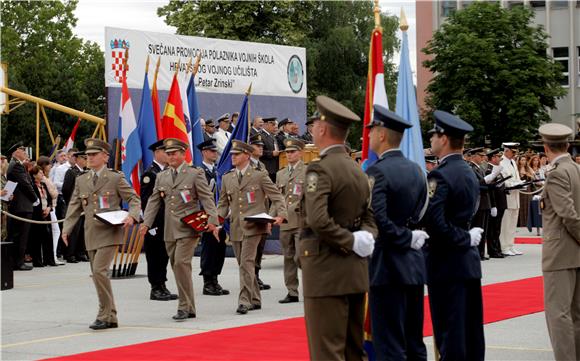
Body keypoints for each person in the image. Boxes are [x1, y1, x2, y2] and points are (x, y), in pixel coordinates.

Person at [299, 95, 378, 360]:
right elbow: (368, 215)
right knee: (353, 351)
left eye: (314, 126)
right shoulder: (358, 170)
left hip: (325, 272)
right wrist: (364, 238)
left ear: (321, 129)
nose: (312, 131)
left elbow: (317, 219)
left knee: (327, 352)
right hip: (354, 272)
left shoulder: (319, 170)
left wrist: (350, 240)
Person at [365, 105, 428, 360]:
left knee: (389, 343)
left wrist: (402, 236)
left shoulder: (376, 171)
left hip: (386, 265)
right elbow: (422, 212)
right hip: (412, 264)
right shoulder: (416, 169)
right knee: (413, 341)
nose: (368, 136)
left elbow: (376, 218)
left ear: (381, 134)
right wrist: (410, 235)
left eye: (371, 130)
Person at [423, 110, 485, 361]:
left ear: (444, 138)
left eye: (434, 135)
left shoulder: (440, 174)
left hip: (446, 264)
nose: (431, 140)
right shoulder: (469, 171)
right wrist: (466, 238)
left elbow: (434, 223)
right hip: (467, 263)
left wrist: (462, 238)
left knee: (451, 335)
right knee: (470, 333)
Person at [62, 138, 140, 330]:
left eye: (93, 154)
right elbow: (74, 205)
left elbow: (133, 198)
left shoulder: (115, 177)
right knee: (97, 274)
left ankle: (103, 314)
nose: (89, 158)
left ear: (105, 157)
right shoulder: (82, 180)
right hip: (91, 233)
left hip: (109, 232)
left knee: (99, 271)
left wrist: (132, 216)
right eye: (87, 155)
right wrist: (66, 229)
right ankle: (111, 315)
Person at [140, 138, 219, 321]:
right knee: (177, 267)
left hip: (188, 228)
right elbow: (153, 201)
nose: (171, 157)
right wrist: (146, 223)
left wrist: (212, 220)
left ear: (183, 154)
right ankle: (189, 306)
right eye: (168, 154)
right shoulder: (162, 176)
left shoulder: (194, 173)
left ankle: (183, 306)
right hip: (169, 229)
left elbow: (206, 198)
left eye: (174, 153)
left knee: (181, 264)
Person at [217, 140, 287, 315]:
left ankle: (244, 300)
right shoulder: (228, 177)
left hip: (255, 225)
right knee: (244, 263)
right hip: (236, 227)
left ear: (247, 156)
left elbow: (277, 196)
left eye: (237, 154)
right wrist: (215, 221)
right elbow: (223, 203)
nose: (233, 157)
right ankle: (256, 298)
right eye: (232, 154)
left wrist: (281, 215)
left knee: (246, 263)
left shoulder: (259, 175)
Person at [537, 123, 580, 361]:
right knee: (575, 315)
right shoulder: (575, 168)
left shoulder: (557, 173)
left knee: (558, 315)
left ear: (546, 146)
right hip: (574, 251)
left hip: (560, 251)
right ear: (567, 144)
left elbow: (568, 216)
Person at [140, 140, 177, 301]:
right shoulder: (150, 174)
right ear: (156, 153)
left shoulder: (168, 172)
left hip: (168, 222)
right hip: (155, 223)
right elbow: (148, 201)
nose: (168, 155)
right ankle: (155, 287)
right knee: (155, 255)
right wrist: (151, 225)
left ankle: (162, 285)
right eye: (165, 152)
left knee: (163, 255)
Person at [274, 138, 306, 304]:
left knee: (301, 256)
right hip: (285, 222)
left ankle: (309, 288)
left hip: (300, 220)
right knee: (288, 256)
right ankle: (292, 291)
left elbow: (307, 196)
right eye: (287, 152)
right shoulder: (281, 173)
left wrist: (289, 208)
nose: (289, 155)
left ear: (300, 153)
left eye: (292, 151)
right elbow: (277, 198)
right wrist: (270, 217)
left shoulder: (307, 171)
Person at [197, 139, 229, 296]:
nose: (215, 153)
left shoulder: (218, 171)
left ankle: (215, 280)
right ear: (204, 152)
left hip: (220, 214)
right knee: (209, 248)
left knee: (219, 247)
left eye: (215, 151)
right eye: (211, 151)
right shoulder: (199, 171)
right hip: (206, 215)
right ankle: (207, 282)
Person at [7, 142, 39, 271]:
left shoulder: (16, 165)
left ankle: (17, 261)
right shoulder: (16, 166)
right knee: (21, 236)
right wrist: (35, 198)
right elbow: (25, 184)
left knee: (20, 235)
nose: (25, 152)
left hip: (21, 205)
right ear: (16, 152)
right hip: (22, 206)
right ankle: (18, 262)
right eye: (22, 150)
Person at [249, 133, 271, 290]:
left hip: (263, 210)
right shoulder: (248, 166)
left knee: (261, 246)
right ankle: (252, 277)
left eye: (262, 146)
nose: (261, 148)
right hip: (252, 211)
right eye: (258, 146)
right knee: (252, 247)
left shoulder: (261, 166)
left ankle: (256, 275)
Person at [61, 151, 89, 263]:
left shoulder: (86, 172)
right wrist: (72, 203)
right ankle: (70, 254)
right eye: (84, 158)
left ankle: (80, 253)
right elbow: (66, 189)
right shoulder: (71, 172)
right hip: (75, 206)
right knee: (73, 231)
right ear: (77, 159)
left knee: (82, 230)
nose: (86, 160)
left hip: (85, 206)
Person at [467, 147, 494, 261]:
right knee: (477, 227)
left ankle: (481, 252)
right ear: (473, 156)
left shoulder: (479, 168)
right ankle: (477, 252)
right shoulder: (471, 168)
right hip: (479, 201)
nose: (483, 158)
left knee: (483, 228)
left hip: (485, 201)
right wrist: (486, 184)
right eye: (480, 156)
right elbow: (475, 184)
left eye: (483, 156)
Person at [499, 142, 523, 256]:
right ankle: (504, 246)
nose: (514, 154)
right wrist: (515, 184)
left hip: (515, 195)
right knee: (506, 223)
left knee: (513, 222)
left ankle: (510, 245)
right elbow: (504, 181)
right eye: (513, 152)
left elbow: (516, 177)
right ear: (506, 150)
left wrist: (521, 183)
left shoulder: (512, 161)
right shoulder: (501, 162)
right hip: (507, 195)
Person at [28, 165, 53, 267]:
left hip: (46, 212)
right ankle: (37, 261)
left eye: (42, 172)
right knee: (36, 238)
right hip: (37, 214)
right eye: (40, 173)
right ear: (34, 175)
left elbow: (50, 199)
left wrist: (49, 208)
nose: (42, 174)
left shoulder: (43, 184)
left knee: (48, 237)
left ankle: (49, 260)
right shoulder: (32, 186)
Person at [485, 148, 506, 258]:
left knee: (497, 228)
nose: (500, 159)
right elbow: (491, 189)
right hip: (496, 203)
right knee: (493, 228)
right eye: (498, 157)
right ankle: (493, 250)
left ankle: (497, 248)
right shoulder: (490, 170)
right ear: (492, 158)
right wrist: (493, 205)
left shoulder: (497, 169)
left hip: (501, 201)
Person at [260, 117, 280, 182]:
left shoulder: (272, 136)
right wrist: (271, 153)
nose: (274, 126)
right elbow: (258, 151)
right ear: (265, 124)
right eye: (272, 124)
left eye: (275, 124)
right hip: (267, 167)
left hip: (275, 167)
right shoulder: (260, 136)